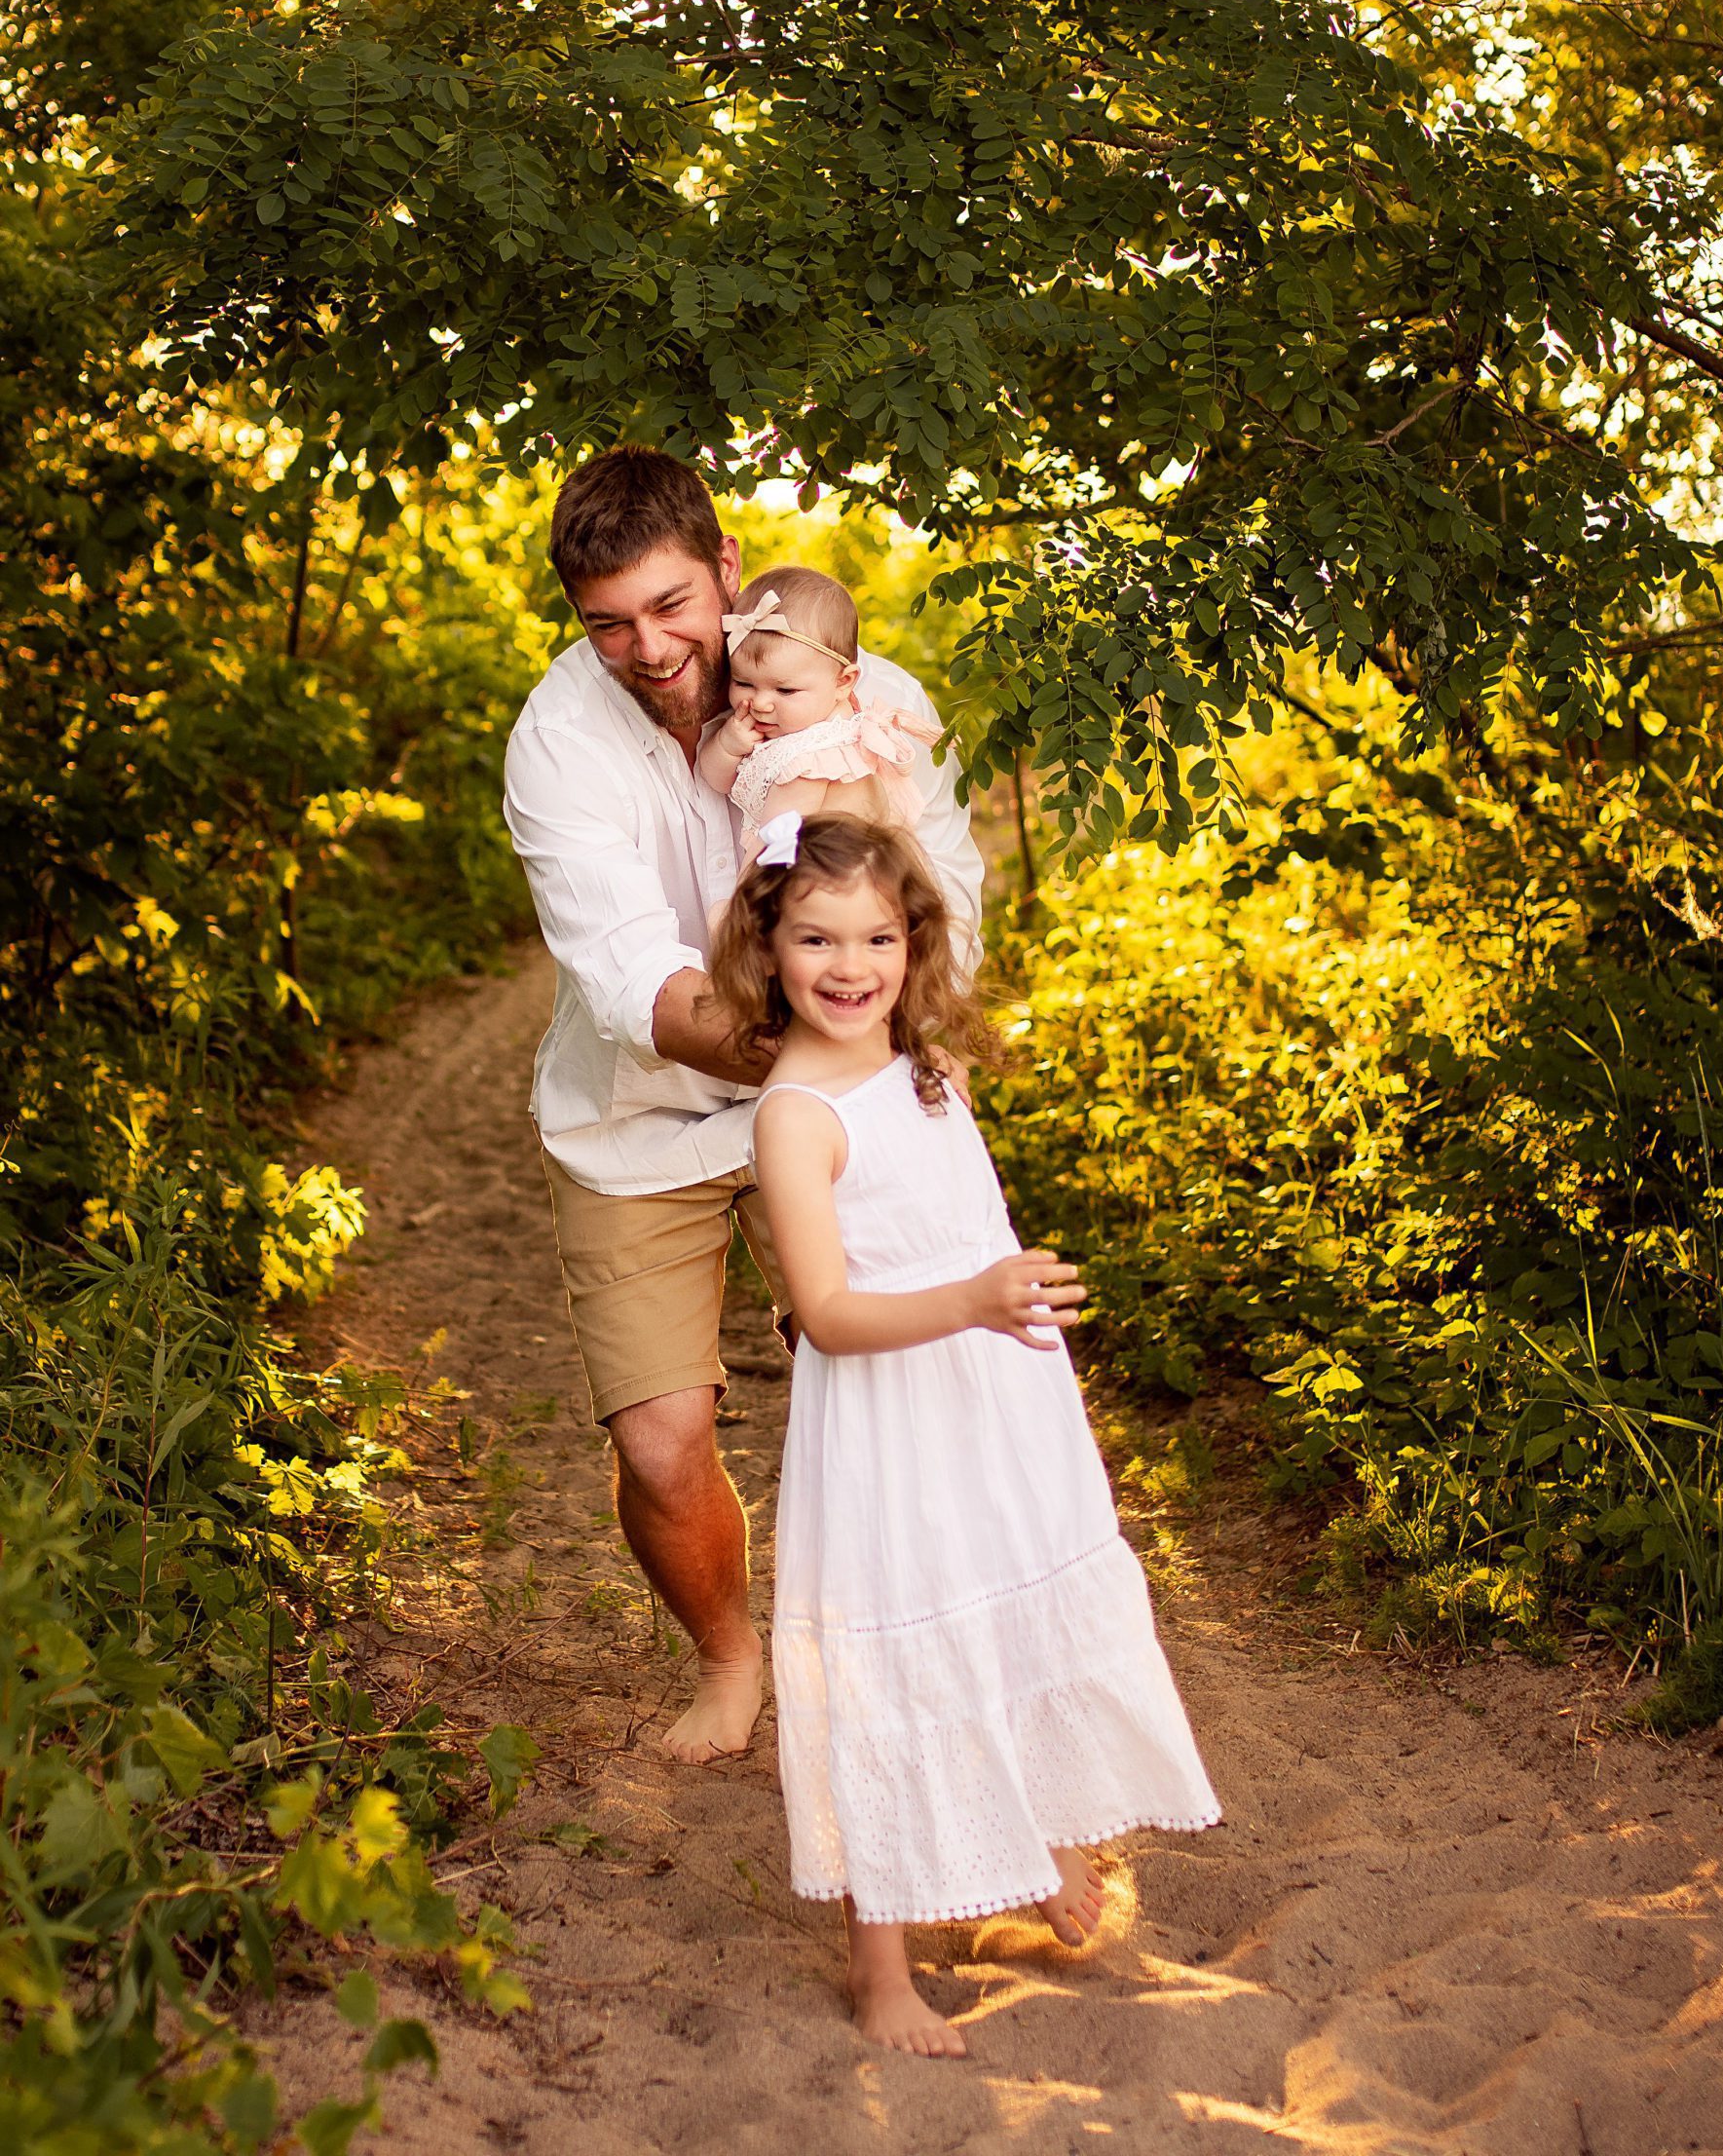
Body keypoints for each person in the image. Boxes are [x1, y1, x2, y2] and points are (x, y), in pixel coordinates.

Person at [710, 813, 1220, 2057]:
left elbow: (959, 1214)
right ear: (767, 947)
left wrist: (1003, 1314)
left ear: (914, 940)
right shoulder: (793, 1115)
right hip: (894, 1420)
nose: (849, 964)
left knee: (1000, 1601)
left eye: (877, 935)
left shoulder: (925, 1063)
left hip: (995, 1403)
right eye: (816, 937)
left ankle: (1033, 1837)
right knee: (894, 1652)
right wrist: (979, 1301)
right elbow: (824, 1313)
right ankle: (881, 1970)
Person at [502, 447, 984, 1764]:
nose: (649, 647)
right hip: (642, 1117)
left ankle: (933, 1665)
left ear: (726, 571)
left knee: (923, 1390)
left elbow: (947, 887)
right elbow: (630, 982)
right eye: (607, 622)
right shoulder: (556, 744)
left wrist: (869, 1042)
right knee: (660, 1445)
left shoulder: (861, 691)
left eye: (671, 606)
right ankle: (733, 1663)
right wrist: (809, 1044)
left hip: (846, 1103)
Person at [696, 564, 940, 867]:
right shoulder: (790, 730)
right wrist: (728, 745)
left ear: (843, 682)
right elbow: (713, 779)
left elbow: (774, 854)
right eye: (743, 682)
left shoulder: (815, 761)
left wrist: (743, 910)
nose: (760, 703)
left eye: (784, 691)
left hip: (832, 889)